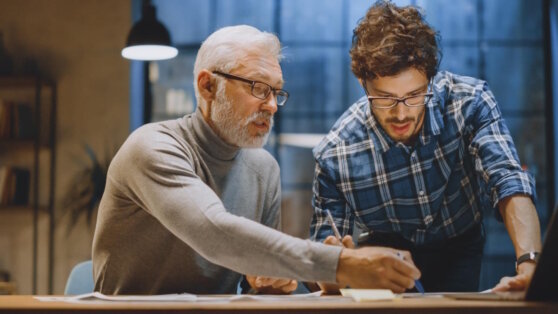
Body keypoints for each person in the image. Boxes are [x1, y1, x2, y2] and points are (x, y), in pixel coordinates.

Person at [92, 25, 421, 295]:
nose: (272, 105)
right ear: (208, 86)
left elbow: (255, 279)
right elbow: (214, 232)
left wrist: (272, 280)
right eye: (258, 88)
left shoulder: (263, 169)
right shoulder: (151, 148)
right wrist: (340, 262)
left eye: (276, 92)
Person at [311, 1, 542, 293]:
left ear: (430, 79)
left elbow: (508, 180)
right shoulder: (335, 153)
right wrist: (335, 269)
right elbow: (320, 255)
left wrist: (531, 263)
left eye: (414, 95)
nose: (401, 113)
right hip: (385, 247)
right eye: (384, 98)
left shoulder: (469, 103)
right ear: (362, 82)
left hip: (459, 239)